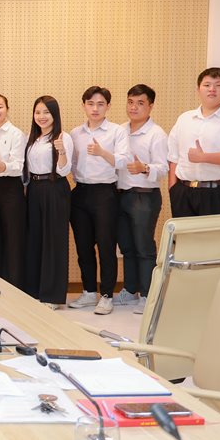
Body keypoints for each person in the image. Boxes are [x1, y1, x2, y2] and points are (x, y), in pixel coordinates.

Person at [67, 86, 129, 315]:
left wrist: (102, 152)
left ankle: (107, 295)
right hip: (81, 192)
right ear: (84, 105)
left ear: (108, 106)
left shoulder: (116, 131)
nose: (95, 108)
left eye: (100, 104)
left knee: (106, 246)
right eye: (91, 104)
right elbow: (72, 164)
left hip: (106, 194)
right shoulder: (75, 133)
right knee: (83, 247)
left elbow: (123, 161)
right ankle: (89, 291)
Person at [167, 67, 220, 218]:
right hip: (184, 193)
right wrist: (173, 188)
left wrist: (204, 157)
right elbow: (173, 157)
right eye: (207, 85)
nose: (212, 89)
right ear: (198, 89)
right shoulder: (184, 119)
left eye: (218, 85)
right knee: (186, 234)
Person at [116, 85, 168, 315]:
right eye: (130, 102)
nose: (134, 107)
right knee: (126, 246)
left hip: (144, 196)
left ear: (150, 106)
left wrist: (144, 167)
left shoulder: (156, 134)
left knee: (143, 246)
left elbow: (163, 168)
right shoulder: (120, 130)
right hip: (121, 194)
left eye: (140, 103)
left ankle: (147, 294)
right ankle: (130, 290)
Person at [23, 96, 73, 307]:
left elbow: (64, 169)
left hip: (54, 188)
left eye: (46, 112)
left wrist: (61, 150)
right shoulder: (33, 138)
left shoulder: (62, 137)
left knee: (54, 241)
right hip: (34, 189)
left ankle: (52, 296)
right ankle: (35, 291)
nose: (41, 116)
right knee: (35, 239)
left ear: (55, 114)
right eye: (38, 112)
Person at [0, 93, 26, 289]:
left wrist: (4, 167)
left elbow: (19, 166)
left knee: (13, 239)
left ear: (7, 109)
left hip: (10, 188)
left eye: (0, 106)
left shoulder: (16, 134)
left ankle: (15, 286)